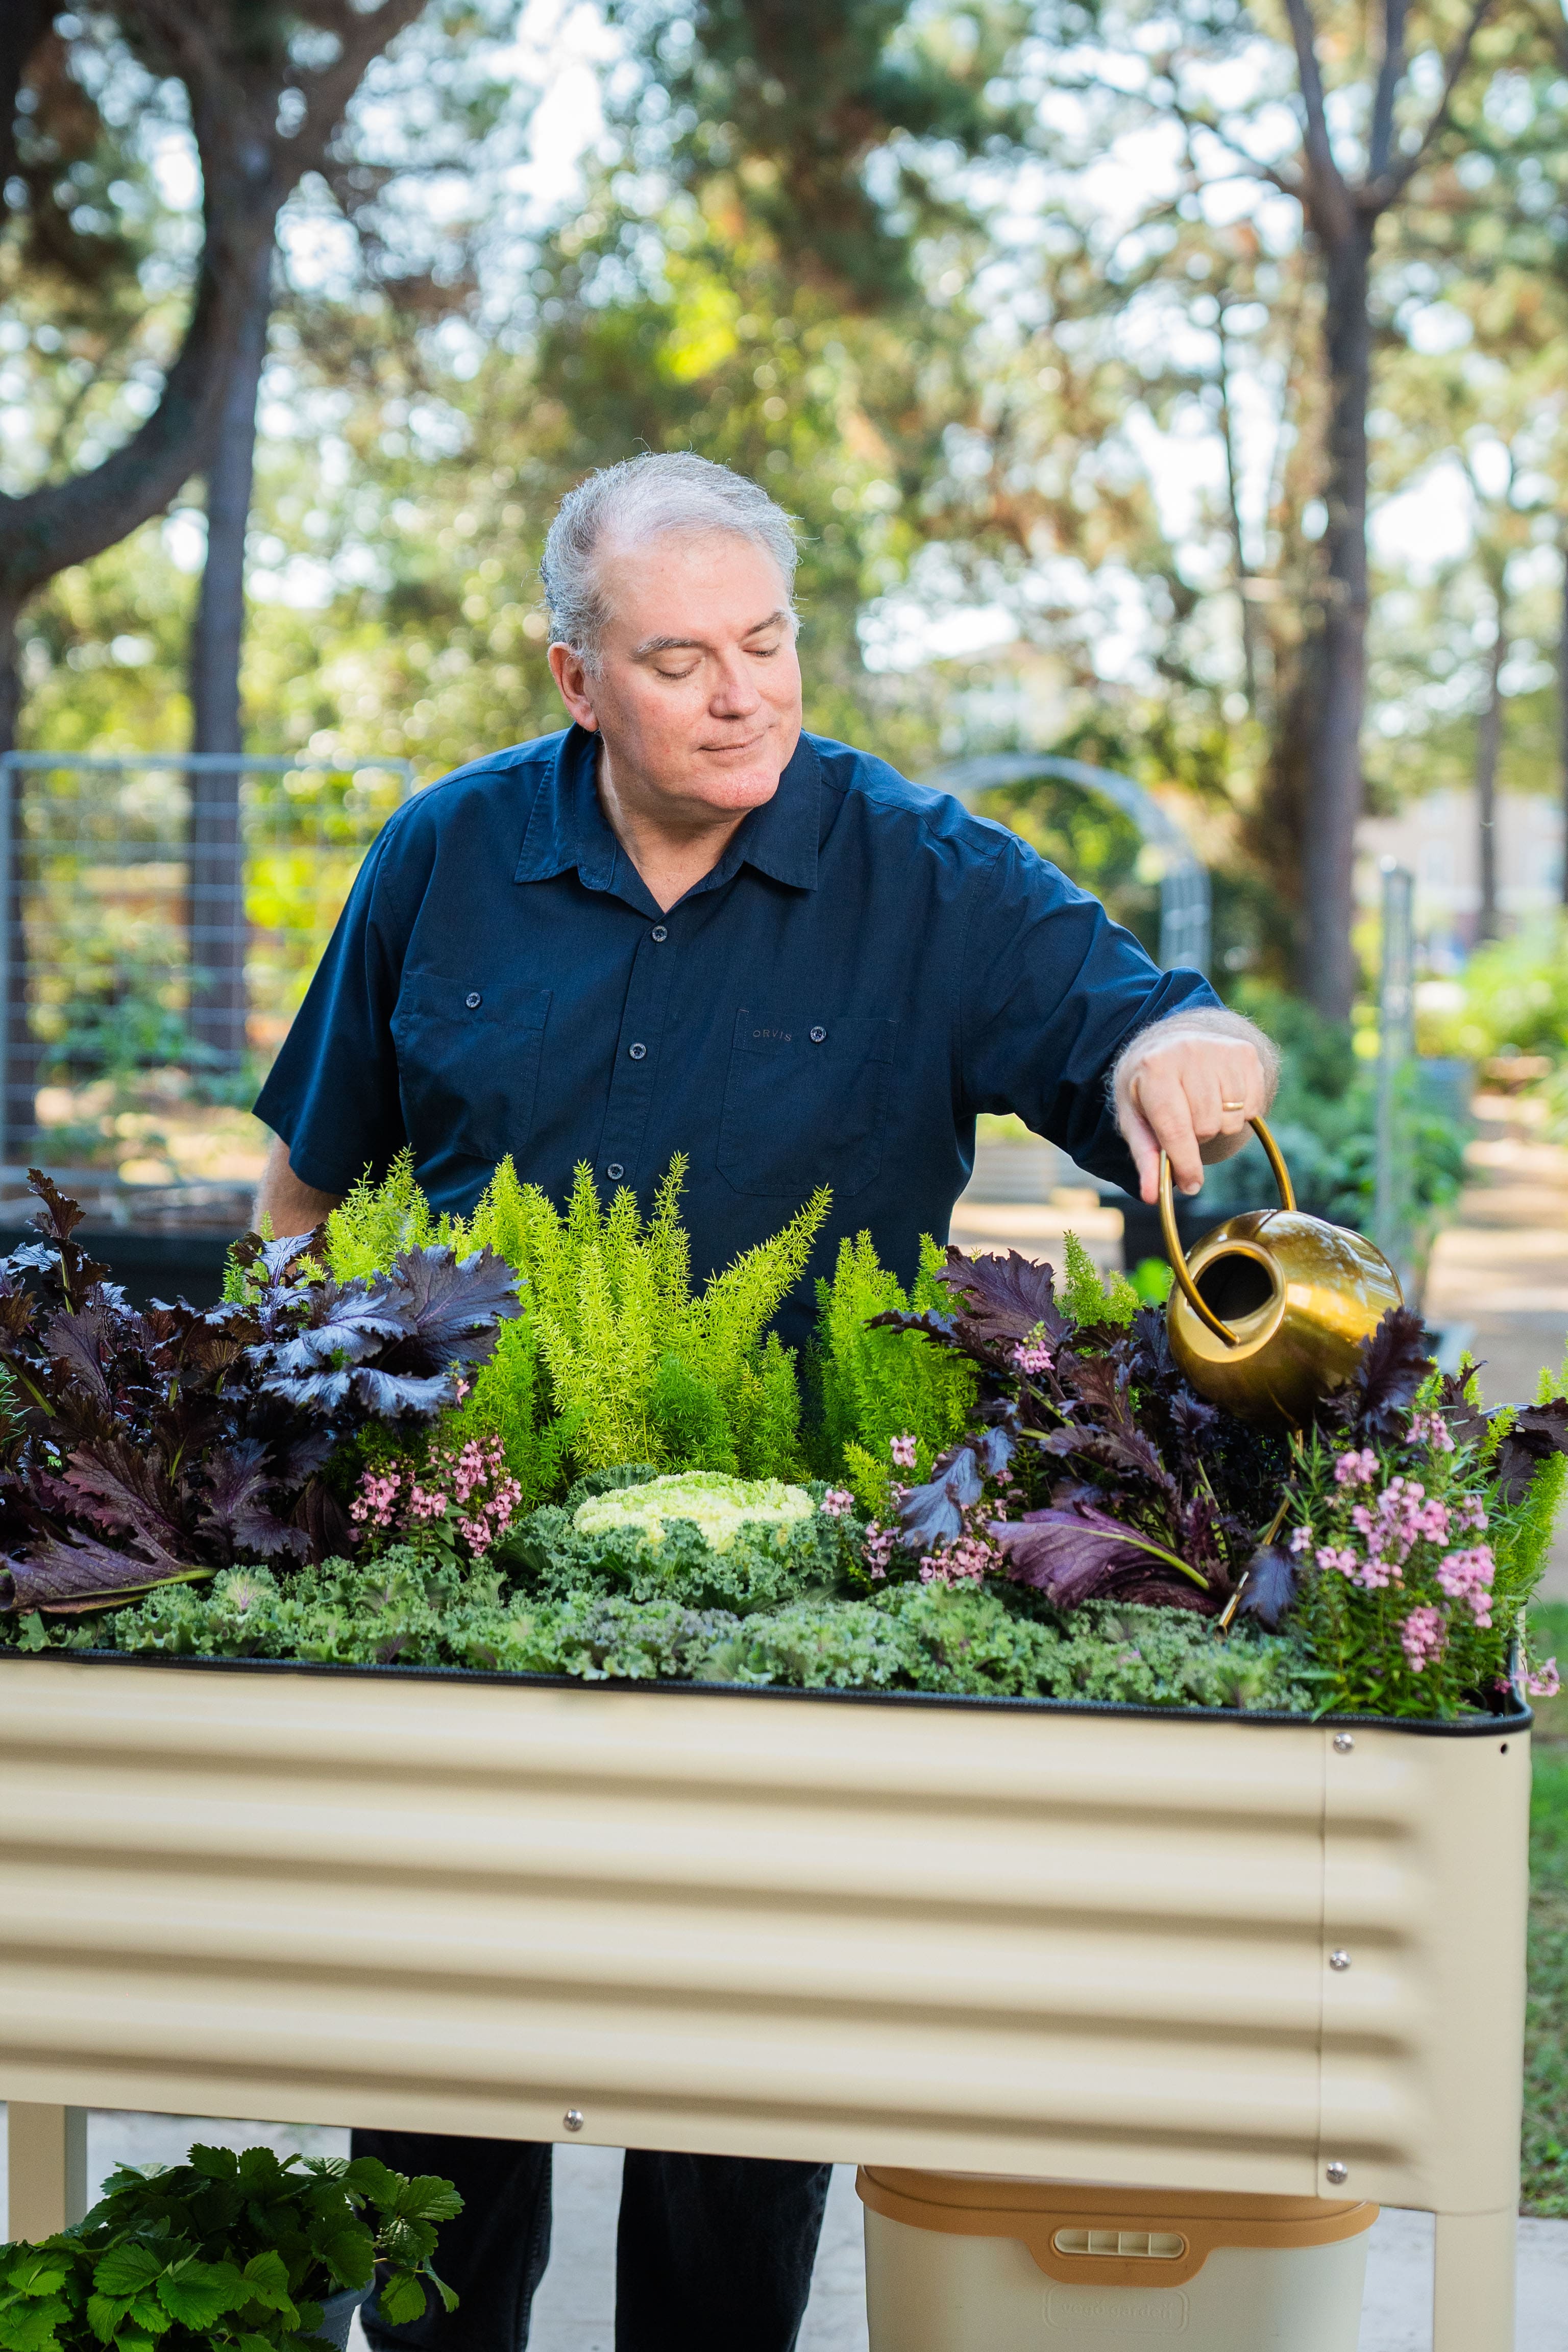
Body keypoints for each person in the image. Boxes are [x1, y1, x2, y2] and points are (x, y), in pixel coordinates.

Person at [253, 452, 1276, 2351]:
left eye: (771, 643)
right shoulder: (444, 858)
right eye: (681, 659)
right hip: (474, 1564)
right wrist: (284, 1424)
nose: (745, 696)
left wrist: (1191, 1056)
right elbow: (310, 1192)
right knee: (446, 2088)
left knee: (735, 2095)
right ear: (576, 680)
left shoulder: (930, 875)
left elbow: (1166, 1019)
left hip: (795, 1594)